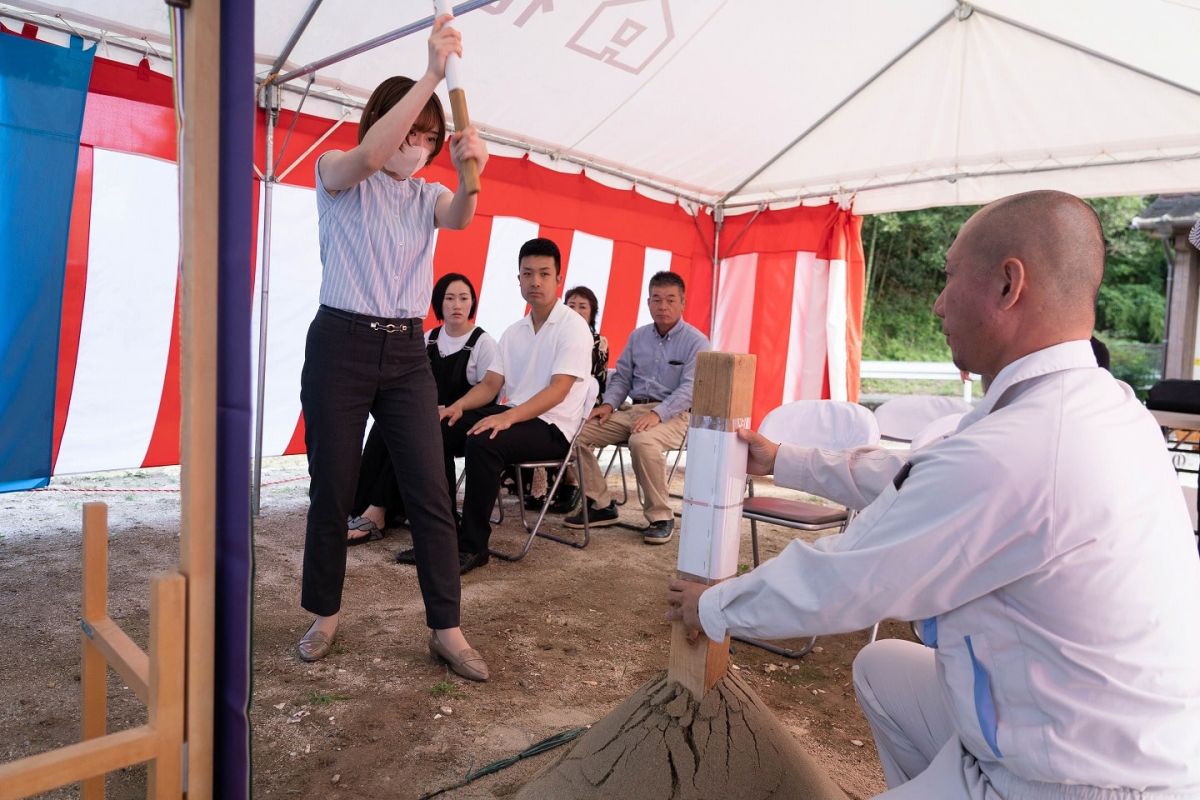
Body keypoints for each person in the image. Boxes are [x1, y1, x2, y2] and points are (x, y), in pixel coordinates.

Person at [667, 190, 1200, 797]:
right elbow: (919, 475)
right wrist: (784, 459)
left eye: (949, 278)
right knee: (882, 668)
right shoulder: (1099, 404)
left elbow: (848, 578)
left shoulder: (1018, 450)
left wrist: (712, 606)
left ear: (1008, 285)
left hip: (1079, 781)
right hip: (1108, 729)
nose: (938, 304)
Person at [296, 15, 490, 682]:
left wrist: (470, 176)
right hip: (341, 344)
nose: (417, 147)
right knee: (334, 487)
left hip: (408, 354)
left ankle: (447, 628)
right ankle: (324, 613)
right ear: (382, 119)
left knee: (431, 491)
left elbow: (461, 214)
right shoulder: (338, 171)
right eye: (412, 133)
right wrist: (433, 73)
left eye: (429, 140)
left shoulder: (427, 195)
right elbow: (373, 156)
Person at [440, 238, 594, 573]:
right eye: (528, 274)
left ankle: (473, 546)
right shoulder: (515, 331)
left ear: (558, 279)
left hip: (552, 426)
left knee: (484, 441)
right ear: (519, 279)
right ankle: (444, 529)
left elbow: (558, 391)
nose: (535, 281)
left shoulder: (573, 327)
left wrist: (508, 417)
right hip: (518, 414)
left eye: (544, 273)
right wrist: (458, 406)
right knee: (441, 429)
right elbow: (491, 384)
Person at [346, 272, 499, 549]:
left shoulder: (483, 342)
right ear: (438, 303)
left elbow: (491, 389)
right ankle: (362, 505)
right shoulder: (428, 338)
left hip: (464, 417)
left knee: (416, 431)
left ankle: (380, 510)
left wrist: (453, 407)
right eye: (449, 298)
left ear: (472, 303)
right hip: (427, 411)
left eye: (464, 298)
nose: (456, 305)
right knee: (386, 424)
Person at [565, 272, 710, 544]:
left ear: (683, 303)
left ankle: (661, 517)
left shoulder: (697, 342)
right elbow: (621, 378)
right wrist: (608, 405)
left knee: (642, 442)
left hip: (676, 415)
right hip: (633, 411)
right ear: (648, 302)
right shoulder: (638, 337)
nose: (663, 306)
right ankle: (601, 504)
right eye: (657, 299)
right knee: (575, 434)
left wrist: (658, 414)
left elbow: (690, 389)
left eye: (670, 300)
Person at [524, 285, 609, 515]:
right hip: (552, 395)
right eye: (572, 305)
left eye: (583, 307)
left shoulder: (598, 341)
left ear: (592, 312)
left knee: (564, 428)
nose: (577, 310)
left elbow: (598, 380)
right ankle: (539, 490)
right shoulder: (551, 334)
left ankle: (570, 485)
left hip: (584, 401)